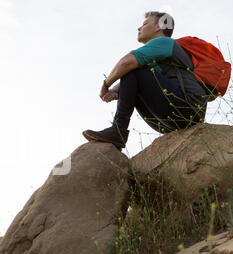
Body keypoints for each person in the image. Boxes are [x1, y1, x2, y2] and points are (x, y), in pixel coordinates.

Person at [83, 11, 208, 151]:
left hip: (187, 107)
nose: (139, 28)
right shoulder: (160, 54)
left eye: (144, 24)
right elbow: (139, 77)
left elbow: (126, 63)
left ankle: (118, 130)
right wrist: (116, 91)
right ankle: (117, 132)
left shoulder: (165, 42)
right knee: (134, 69)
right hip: (177, 118)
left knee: (132, 67)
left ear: (158, 27)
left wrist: (105, 85)